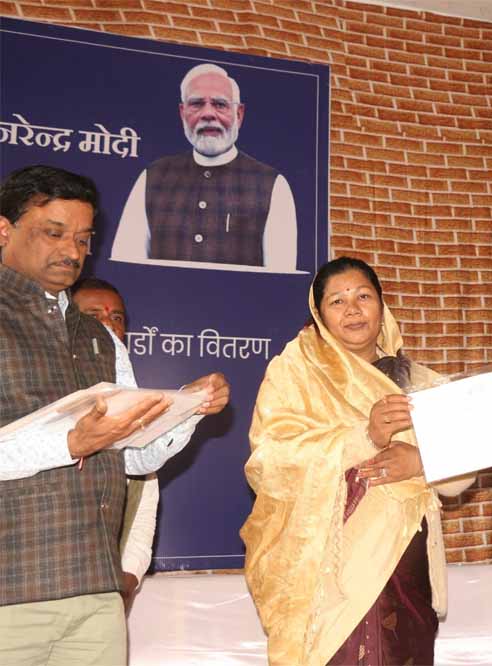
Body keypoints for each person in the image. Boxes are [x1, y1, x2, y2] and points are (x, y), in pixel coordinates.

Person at [0, 164, 230, 665]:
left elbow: (134, 458)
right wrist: (70, 443)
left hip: (95, 593)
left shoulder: (100, 337)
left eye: (83, 239)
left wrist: (187, 408)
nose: (72, 251)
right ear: (4, 230)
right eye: (54, 233)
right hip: (9, 596)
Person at [241, 256, 474, 665]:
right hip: (328, 574)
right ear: (320, 316)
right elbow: (268, 463)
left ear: (382, 307)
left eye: (363, 296)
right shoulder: (295, 374)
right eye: (337, 301)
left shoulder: (419, 381)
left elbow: (461, 478)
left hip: (405, 567)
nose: (352, 309)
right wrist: (365, 437)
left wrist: (421, 462)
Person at [112, 63, 297, 272]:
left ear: (239, 114)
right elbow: (125, 268)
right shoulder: (152, 177)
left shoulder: (272, 185)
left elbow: (281, 279)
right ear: (182, 113)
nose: (208, 113)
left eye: (220, 104)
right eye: (197, 104)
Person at [71, 277, 158, 614]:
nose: (107, 325)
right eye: (94, 316)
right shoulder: (37, 400)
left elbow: (142, 506)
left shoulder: (136, 413)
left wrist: (127, 579)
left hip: (105, 600)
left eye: (116, 318)